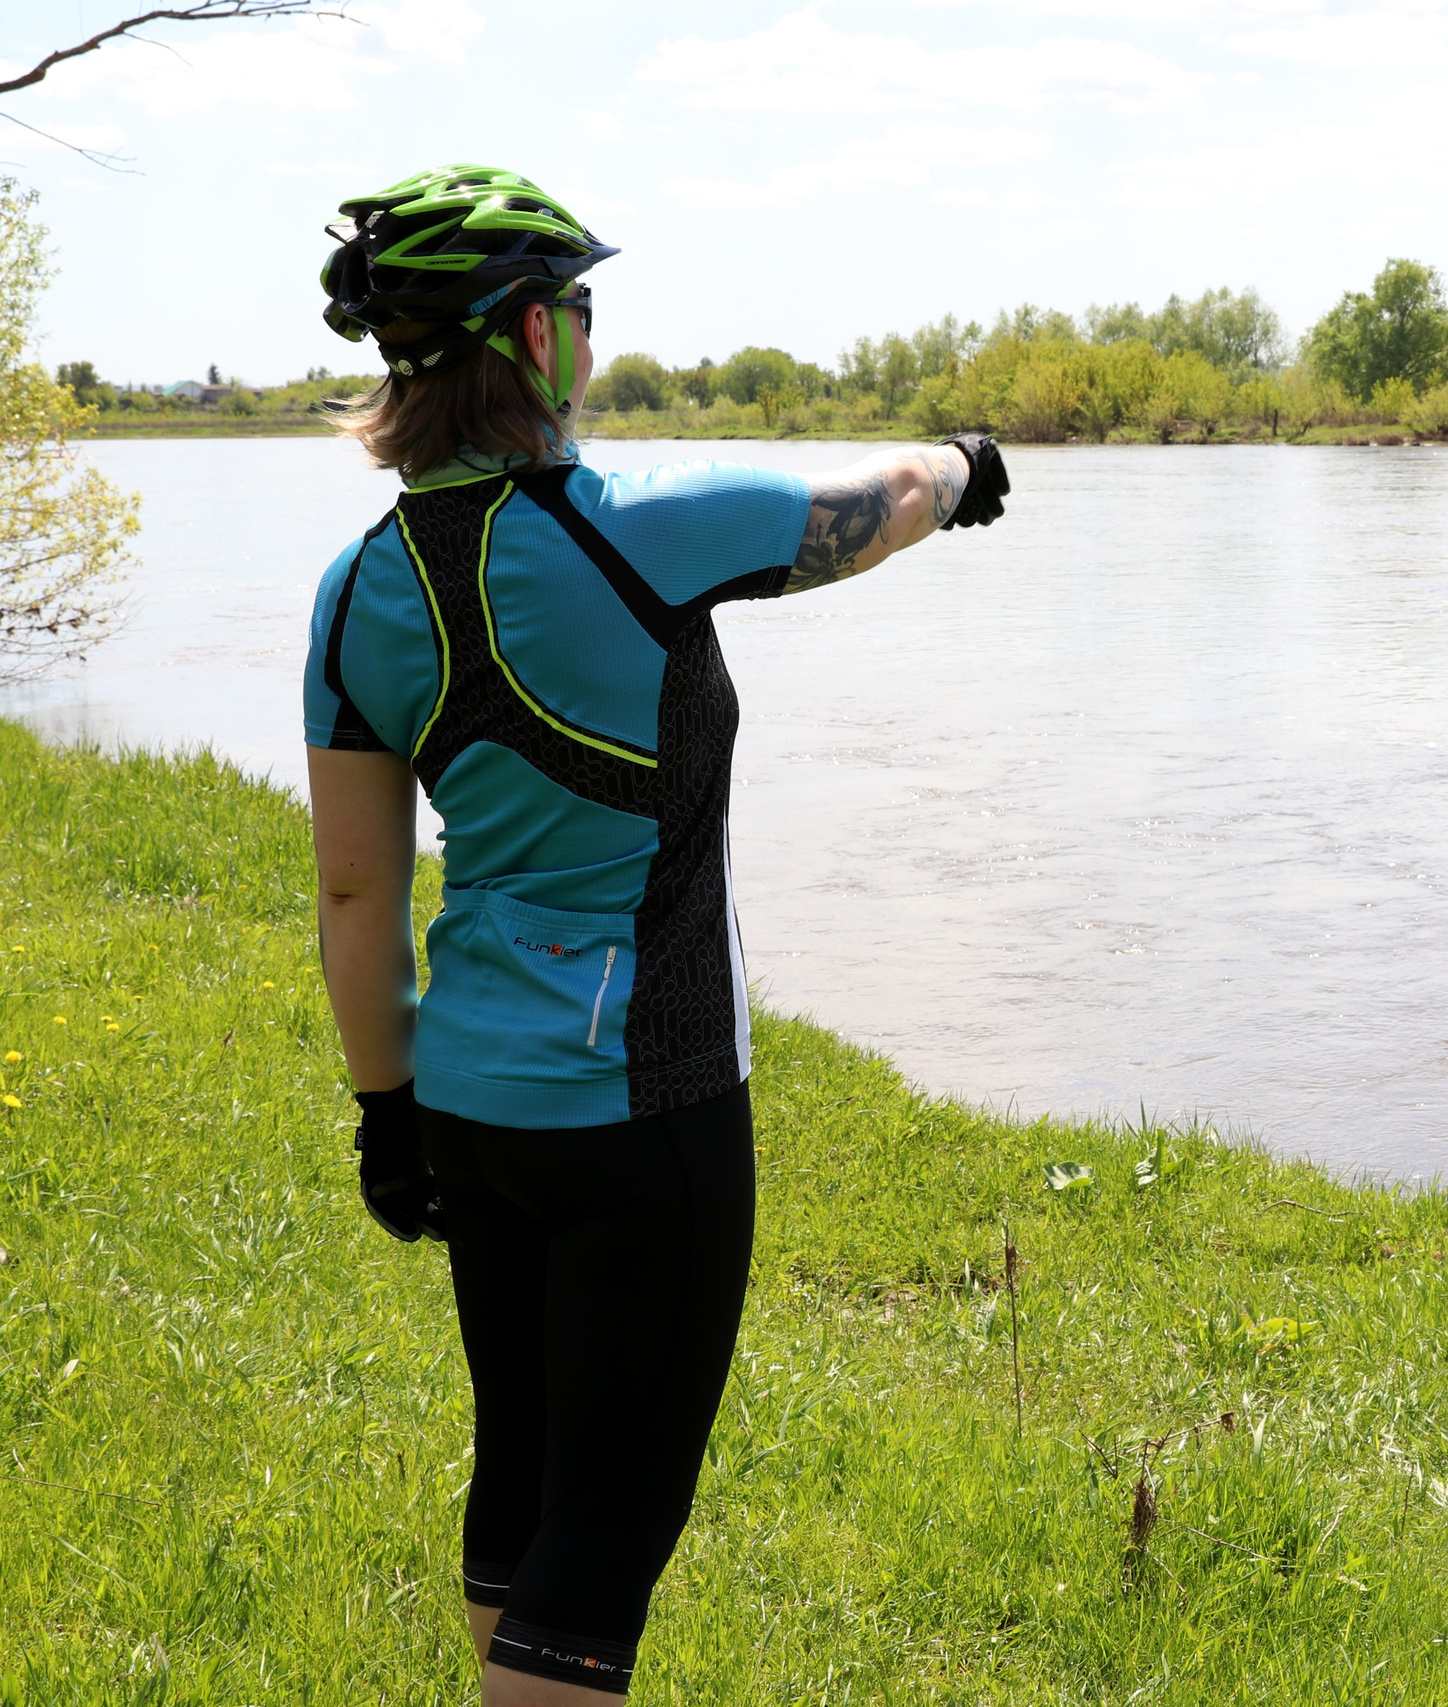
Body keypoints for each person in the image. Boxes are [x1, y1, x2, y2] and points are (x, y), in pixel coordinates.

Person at [301, 164, 1008, 1704]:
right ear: (532, 339)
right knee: (601, 1549)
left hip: (472, 1107)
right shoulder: (641, 527)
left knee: (524, 1489)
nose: (592, 337)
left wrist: (384, 1109)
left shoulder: (355, 592)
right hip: (649, 1105)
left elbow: (358, 894)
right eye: (580, 309)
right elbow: (878, 507)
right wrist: (962, 465)